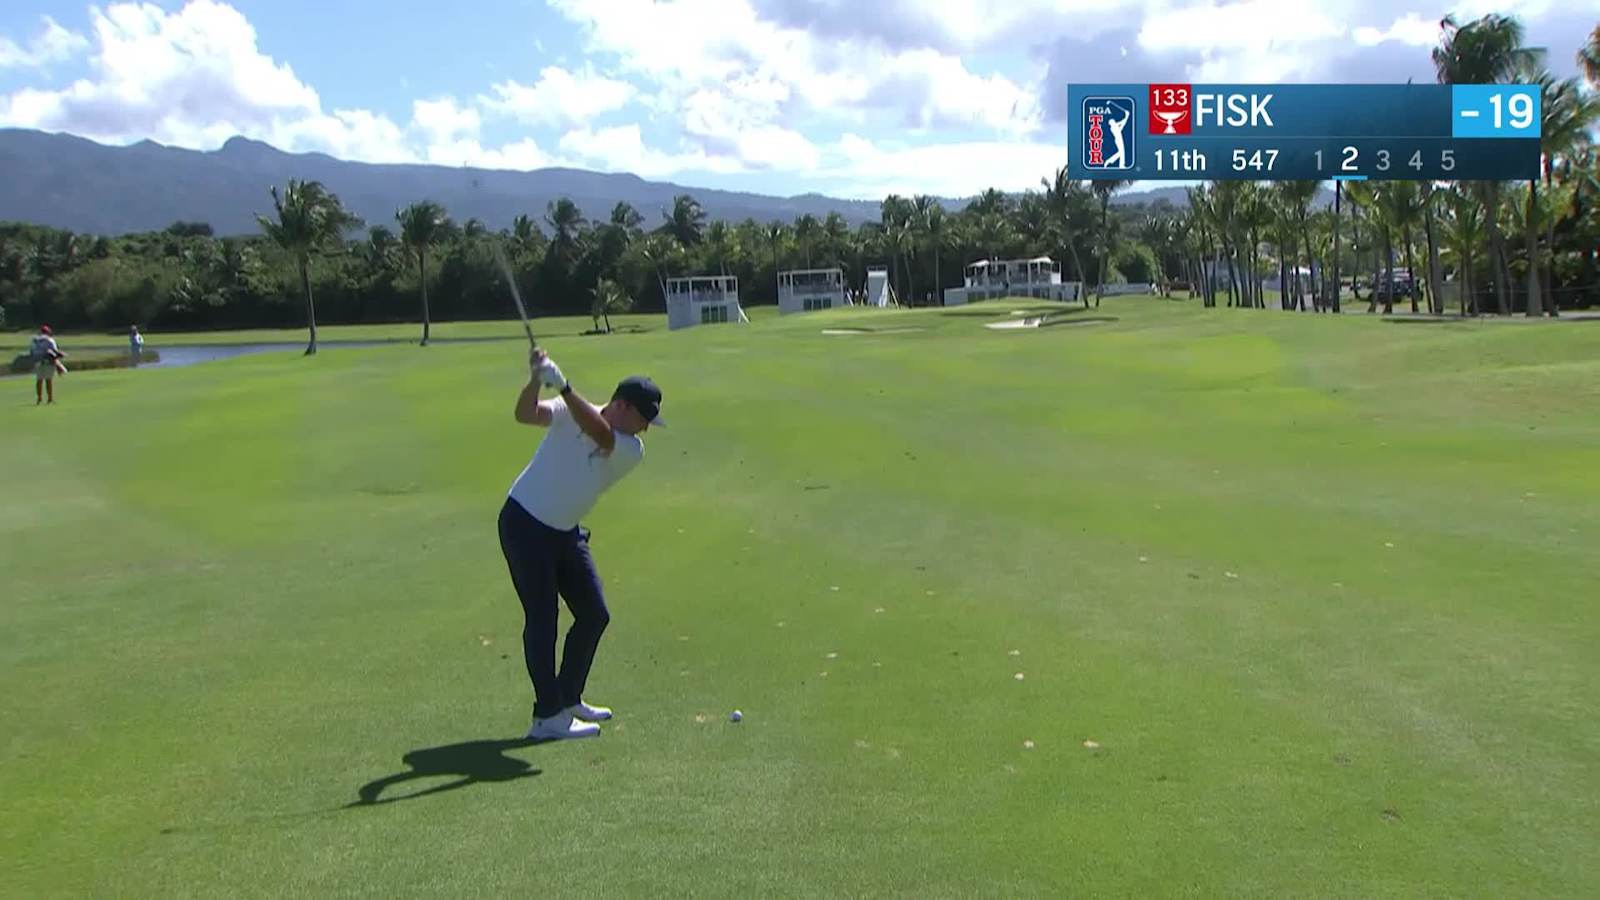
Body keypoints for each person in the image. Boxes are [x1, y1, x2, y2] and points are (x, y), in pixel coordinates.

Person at [500, 346, 666, 741]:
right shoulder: (569, 410)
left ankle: (568, 697)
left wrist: (564, 387)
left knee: (594, 614)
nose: (645, 430)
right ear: (623, 406)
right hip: (524, 522)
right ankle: (547, 717)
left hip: (564, 532)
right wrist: (536, 380)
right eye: (644, 419)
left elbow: (600, 434)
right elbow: (525, 414)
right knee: (543, 619)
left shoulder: (630, 448)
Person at [29, 325, 64, 405]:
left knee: (39, 380)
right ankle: (50, 399)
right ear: (48, 332)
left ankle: (39, 398)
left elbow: (31, 351)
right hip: (48, 362)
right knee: (48, 380)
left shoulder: (35, 340)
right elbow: (54, 352)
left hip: (38, 362)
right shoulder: (50, 340)